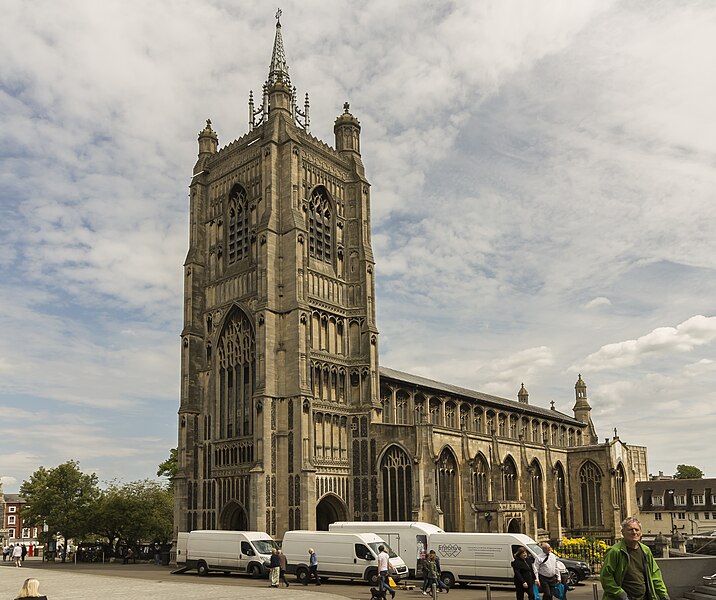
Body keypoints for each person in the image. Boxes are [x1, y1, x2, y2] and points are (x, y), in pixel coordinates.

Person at [601, 517, 670, 600]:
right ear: (622, 532)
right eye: (630, 530)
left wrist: (663, 594)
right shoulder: (615, 551)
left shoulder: (645, 550)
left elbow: (655, 574)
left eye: (636, 530)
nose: (634, 532)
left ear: (641, 532)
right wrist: (620, 594)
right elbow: (606, 577)